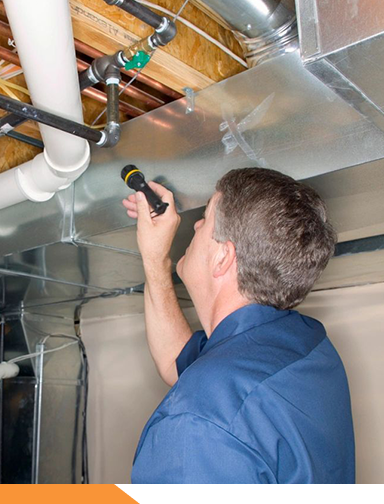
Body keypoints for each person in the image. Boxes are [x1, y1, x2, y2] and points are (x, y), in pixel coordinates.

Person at [122, 168, 355, 483]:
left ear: (222, 257)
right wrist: (155, 258)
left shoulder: (196, 423)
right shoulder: (306, 343)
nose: (196, 224)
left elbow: (207, 397)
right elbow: (176, 362)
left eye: (205, 217)